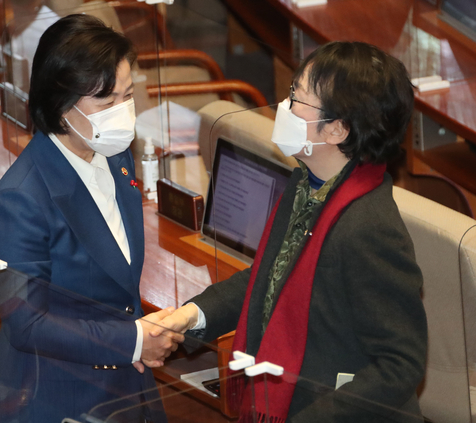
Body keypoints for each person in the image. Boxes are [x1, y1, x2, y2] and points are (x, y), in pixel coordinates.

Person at [152, 41, 428, 422]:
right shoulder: (304, 185)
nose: (284, 106)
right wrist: (191, 316)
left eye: (297, 97)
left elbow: (399, 365)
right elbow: (269, 278)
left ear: (336, 129)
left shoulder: (370, 227)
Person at [0, 14, 180, 423]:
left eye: (127, 96)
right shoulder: (20, 200)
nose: (122, 113)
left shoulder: (115, 155)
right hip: (59, 398)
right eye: (107, 103)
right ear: (61, 106)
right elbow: (28, 324)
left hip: (130, 388)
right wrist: (134, 341)